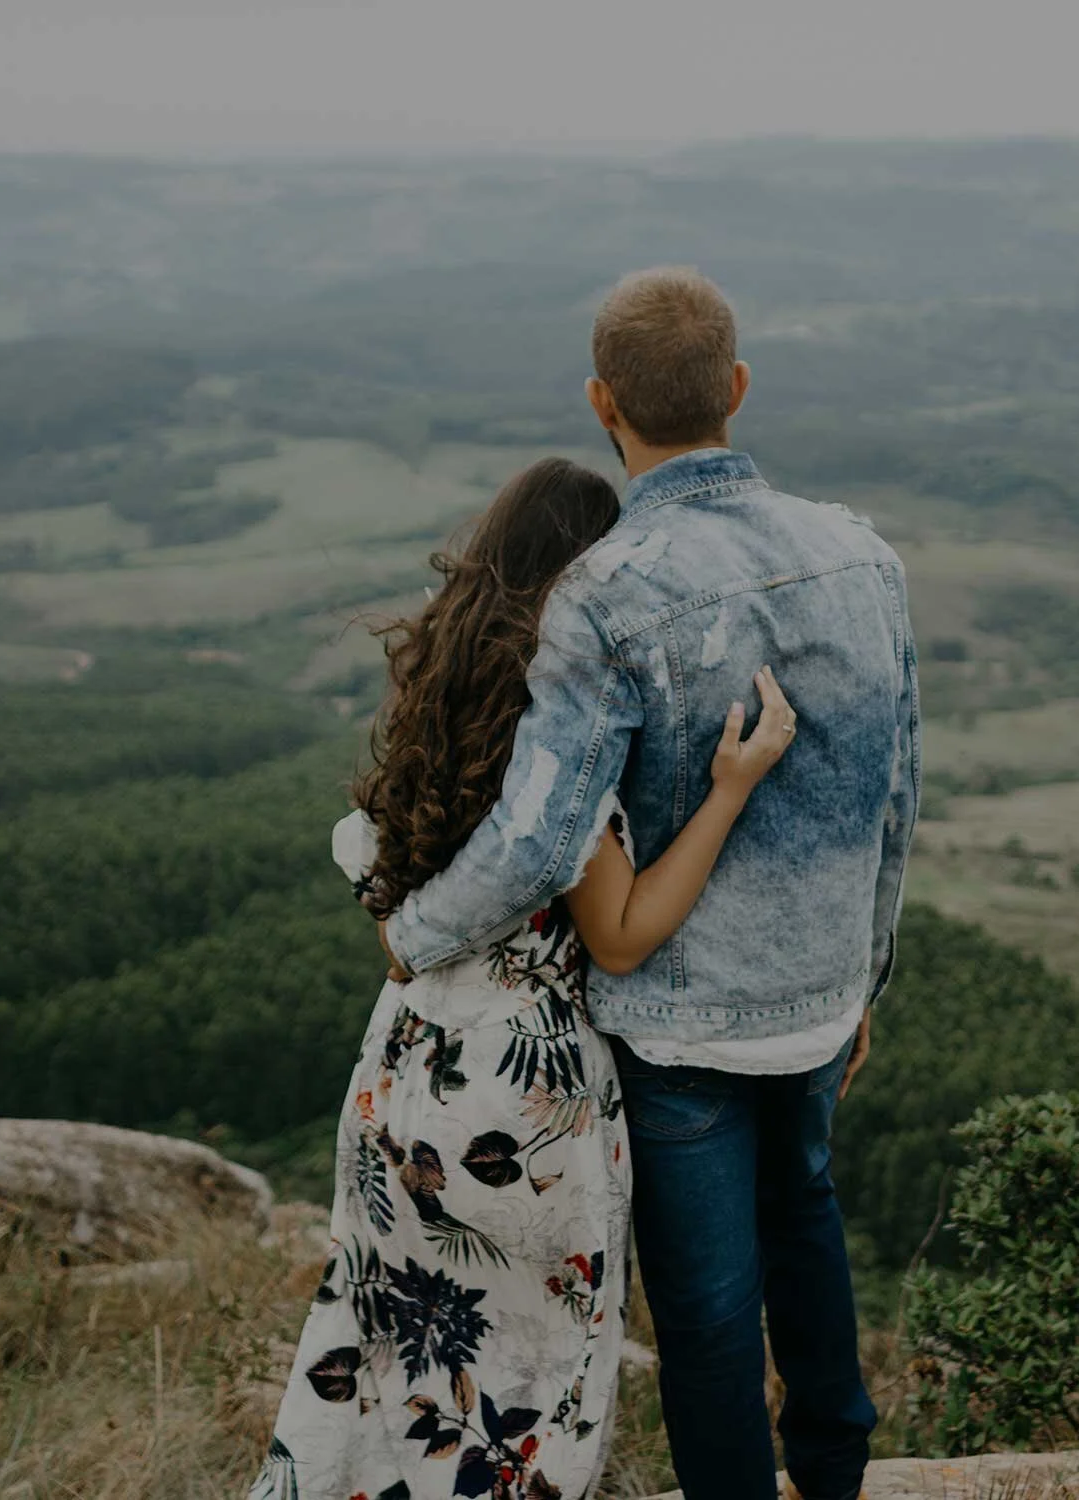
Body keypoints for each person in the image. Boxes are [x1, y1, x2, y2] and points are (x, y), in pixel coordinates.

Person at [381, 268, 921, 1500]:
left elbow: (538, 837)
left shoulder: (607, 594)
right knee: (811, 1225)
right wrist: (865, 971)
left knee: (711, 1308)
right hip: (820, 997)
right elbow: (896, 798)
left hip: (680, 1025)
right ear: (736, 388)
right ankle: (833, 1474)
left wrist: (415, 930)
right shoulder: (865, 556)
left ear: (601, 403)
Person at [251, 456, 799, 1500]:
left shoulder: (433, 713)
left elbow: (390, 912)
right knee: (522, 1402)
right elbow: (623, 934)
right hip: (525, 1115)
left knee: (387, 1368)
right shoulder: (555, 747)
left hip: (401, 1083)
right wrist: (731, 789)